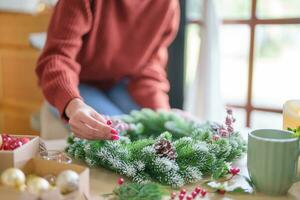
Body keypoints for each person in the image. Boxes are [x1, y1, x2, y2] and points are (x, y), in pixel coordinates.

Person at [36, 0, 179, 141]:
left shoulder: (167, 5)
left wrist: (163, 114)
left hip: (120, 83)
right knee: (121, 134)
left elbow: (149, 66)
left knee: (161, 130)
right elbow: (57, 57)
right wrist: (72, 104)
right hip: (78, 83)